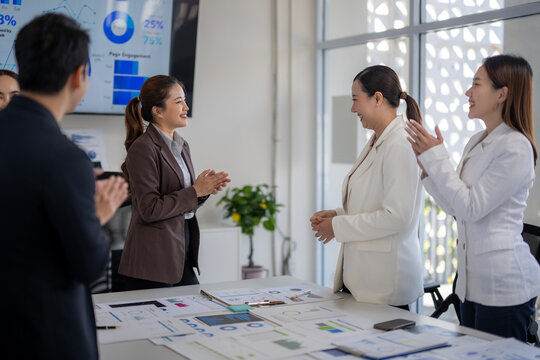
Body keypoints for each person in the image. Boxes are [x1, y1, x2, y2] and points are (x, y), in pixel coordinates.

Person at [0, 14, 128, 359]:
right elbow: (87, 264)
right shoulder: (66, 157)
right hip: (44, 335)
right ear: (79, 75)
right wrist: (100, 215)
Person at [406, 54, 540, 341]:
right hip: (470, 286)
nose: (468, 92)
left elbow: (472, 207)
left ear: (502, 93)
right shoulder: (476, 141)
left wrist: (437, 159)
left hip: (504, 288)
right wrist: (429, 170)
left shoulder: (516, 147)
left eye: (476, 84)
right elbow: (457, 208)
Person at [311, 65, 424, 309]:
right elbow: (374, 202)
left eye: (355, 100)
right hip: (366, 284)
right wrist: (338, 215)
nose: (352, 108)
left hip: (385, 287)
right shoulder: (378, 140)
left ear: (378, 98)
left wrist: (338, 226)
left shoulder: (399, 144)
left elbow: (397, 217)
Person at [118, 75, 230, 290]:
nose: (186, 107)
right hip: (153, 262)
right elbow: (150, 209)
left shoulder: (181, 145)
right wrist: (195, 191)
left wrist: (204, 192)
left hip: (180, 254)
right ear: (157, 111)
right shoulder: (143, 148)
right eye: (178, 101)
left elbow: (183, 203)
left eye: (184, 100)